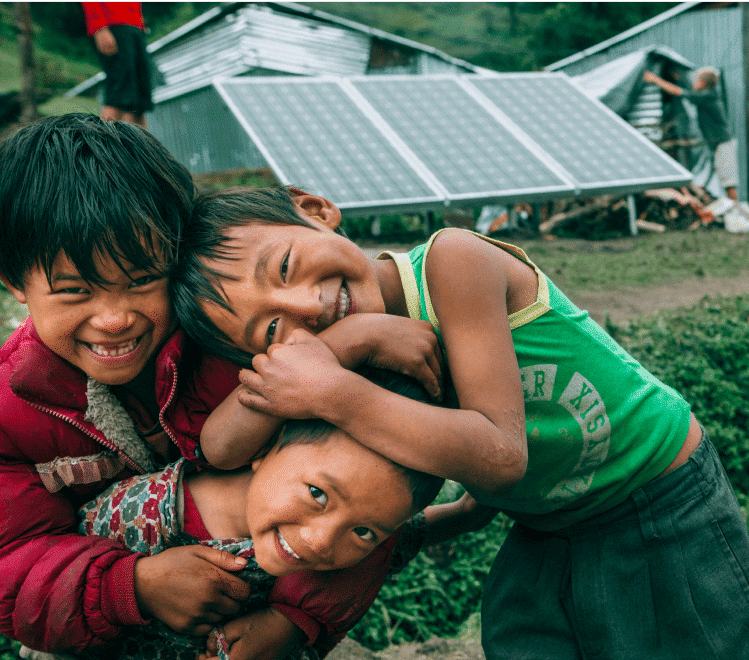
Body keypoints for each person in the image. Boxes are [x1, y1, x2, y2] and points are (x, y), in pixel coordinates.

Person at [171, 185, 749, 659]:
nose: (304, 308)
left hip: (658, 497)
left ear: (315, 210)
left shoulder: (453, 261)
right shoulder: (338, 352)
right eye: (271, 331)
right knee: (519, 641)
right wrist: (351, 341)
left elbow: (501, 456)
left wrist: (338, 392)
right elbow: (221, 448)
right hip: (546, 520)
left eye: (287, 266)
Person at [0, 115, 446, 660]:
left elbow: (365, 490)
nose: (113, 319)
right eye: (74, 291)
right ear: (16, 283)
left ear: (177, 254)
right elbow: (12, 563)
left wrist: (295, 618)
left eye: (142, 280)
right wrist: (132, 586)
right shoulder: (12, 411)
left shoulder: (243, 340)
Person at [78, 367, 489, 660]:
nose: (322, 542)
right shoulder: (139, 515)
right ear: (265, 447)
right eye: (318, 495)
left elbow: (406, 536)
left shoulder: (350, 555)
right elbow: (74, 595)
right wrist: (138, 588)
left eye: (364, 532)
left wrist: (471, 511)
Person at [644, 66, 739, 201]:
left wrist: (654, 79)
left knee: (729, 184)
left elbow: (679, 92)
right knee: (725, 182)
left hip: (724, 144)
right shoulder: (707, 95)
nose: (693, 83)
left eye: (696, 80)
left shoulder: (706, 96)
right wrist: (679, 78)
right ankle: (734, 211)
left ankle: (737, 215)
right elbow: (688, 91)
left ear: (703, 83)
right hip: (720, 144)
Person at [81, 2, 153, 129]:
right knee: (119, 92)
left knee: (139, 100)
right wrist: (99, 26)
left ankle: (140, 147)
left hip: (135, 25)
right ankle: (102, 146)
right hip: (112, 25)